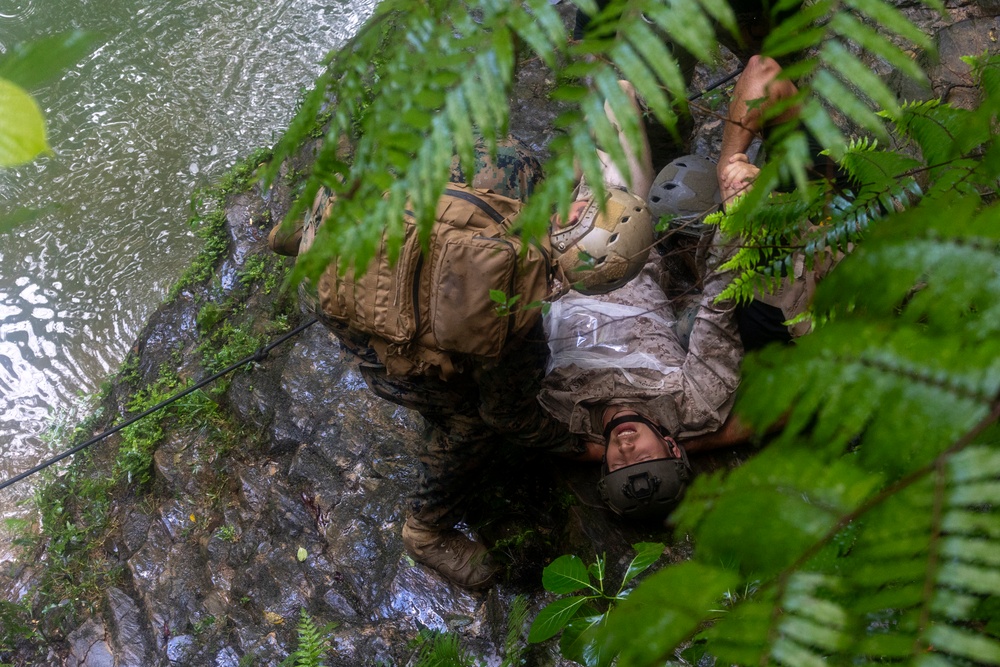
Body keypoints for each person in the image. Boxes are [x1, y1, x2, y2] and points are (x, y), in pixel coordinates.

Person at [270, 82, 656, 589]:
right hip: (341, 290)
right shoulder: (512, 309)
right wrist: (573, 445)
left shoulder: (519, 166)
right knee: (468, 421)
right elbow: (506, 415)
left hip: (345, 205)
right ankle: (424, 531)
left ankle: (295, 231)